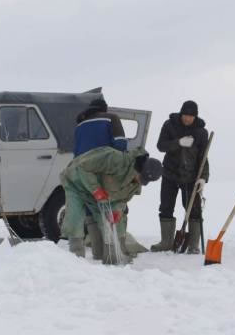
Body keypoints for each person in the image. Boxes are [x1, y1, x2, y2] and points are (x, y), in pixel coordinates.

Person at [60, 146, 162, 264]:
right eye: (141, 177)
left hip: (99, 194)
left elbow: (123, 199)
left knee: (110, 222)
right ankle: (75, 260)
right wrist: (96, 190)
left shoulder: (136, 183)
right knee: (75, 219)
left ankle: (112, 258)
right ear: (139, 168)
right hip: (76, 181)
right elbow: (83, 167)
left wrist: (117, 210)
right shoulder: (116, 159)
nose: (140, 181)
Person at [150, 101, 210, 254]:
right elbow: (161, 146)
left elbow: (203, 157)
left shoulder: (201, 132)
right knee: (166, 207)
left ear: (195, 116)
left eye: (191, 116)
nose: (187, 119)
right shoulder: (170, 125)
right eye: (185, 115)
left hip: (191, 176)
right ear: (181, 113)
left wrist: (203, 177)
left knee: (194, 209)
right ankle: (166, 242)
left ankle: (193, 245)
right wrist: (179, 142)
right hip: (170, 173)